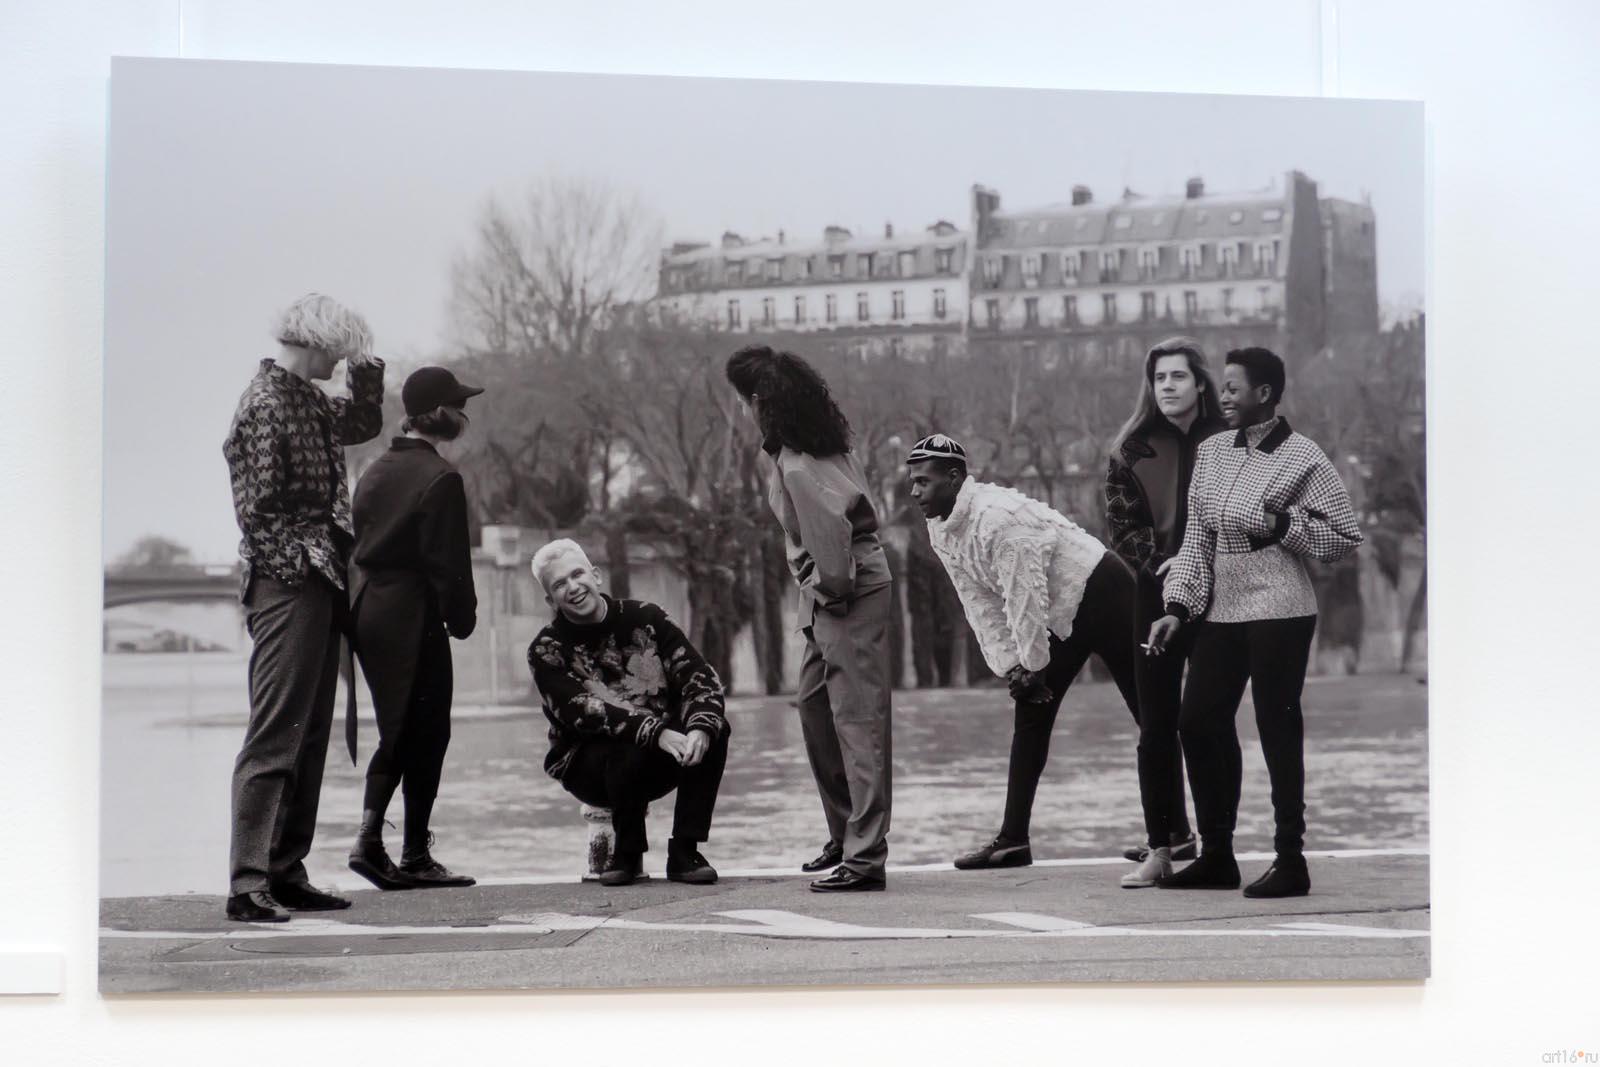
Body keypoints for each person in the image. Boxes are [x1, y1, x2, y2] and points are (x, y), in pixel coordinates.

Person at [1147, 346, 1363, 898]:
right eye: (1221, 387)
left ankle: (1291, 860)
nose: (1222, 397)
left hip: (1283, 608)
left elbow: (1342, 537)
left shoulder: (1304, 457)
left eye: (1233, 389)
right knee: (1196, 722)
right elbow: (1197, 540)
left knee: (1277, 728)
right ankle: (1218, 854)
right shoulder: (1214, 453)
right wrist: (1176, 607)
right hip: (1221, 608)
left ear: (1264, 394)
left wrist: (1281, 522)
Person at [905, 434, 1141, 874]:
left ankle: (1177, 837)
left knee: (1151, 714)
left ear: (955, 479)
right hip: (1058, 613)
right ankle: (1013, 841)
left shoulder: (999, 519)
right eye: (912, 482)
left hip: (1104, 592)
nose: (914, 492)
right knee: (1030, 710)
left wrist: (1034, 664)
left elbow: (1024, 594)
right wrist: (1012, 666)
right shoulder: (940, 526)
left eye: (924, 482)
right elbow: (978, 601)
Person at [221, 293, 384, 922]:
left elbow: (361, 426)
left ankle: (285, 872)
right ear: (317, 340)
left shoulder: (305, 399)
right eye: (340, 352)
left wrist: (368, 373)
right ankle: (248, 884)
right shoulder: (265, 405)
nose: (340, 363)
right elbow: (257, 517)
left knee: (309, 730)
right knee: (276, 732)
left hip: (313, 578)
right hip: (288, 582)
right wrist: (311, 562)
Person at [725, 344, 893, 893]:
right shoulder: (816, 448)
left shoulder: (799, 465)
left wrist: (825, 589)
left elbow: (833, 546)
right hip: (830, 592)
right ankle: (847, 835)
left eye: (745, 401)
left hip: (844, 592)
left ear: (759, 402)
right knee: (817, 709)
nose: (743, 413)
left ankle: (865, 857)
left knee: (857, 721)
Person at [346, 367, 483, 891]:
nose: (466, 414)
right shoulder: (440, 476)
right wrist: (463, 618)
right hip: (413, 614)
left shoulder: (376, 470)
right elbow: (449, 562)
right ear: (440, 414)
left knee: (399, 728)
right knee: (424, 734)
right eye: (459, 406)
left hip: (371, 610)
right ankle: (388, 848)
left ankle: (391, 847)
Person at [527, 539, 729, 888]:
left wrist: (698, 728)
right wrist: (656, 732)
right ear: (550, 599)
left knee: (714, 726)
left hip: (660, 754)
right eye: (559, 584)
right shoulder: (547, 649)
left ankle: (685, 852)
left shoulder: (647, 617)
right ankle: (627, 853)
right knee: (621, 737)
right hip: (588, 766)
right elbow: (585, 712)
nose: (573, 587)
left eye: (577, 575)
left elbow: (700, 677)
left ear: (596, 575)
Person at [1103, 337, 1224, 887]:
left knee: (1207, 724)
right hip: (1153, 595)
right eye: (1160, 379)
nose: (1168, 386)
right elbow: (1122, 529)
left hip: (1225, 595)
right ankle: (1161, 847)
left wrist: (1201, 566)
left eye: (1178, 376)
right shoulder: (1130, 449)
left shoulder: (1229, 442)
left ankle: (1216, 846)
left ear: (1200, 382)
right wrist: (1164, 566)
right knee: (1156, 725)